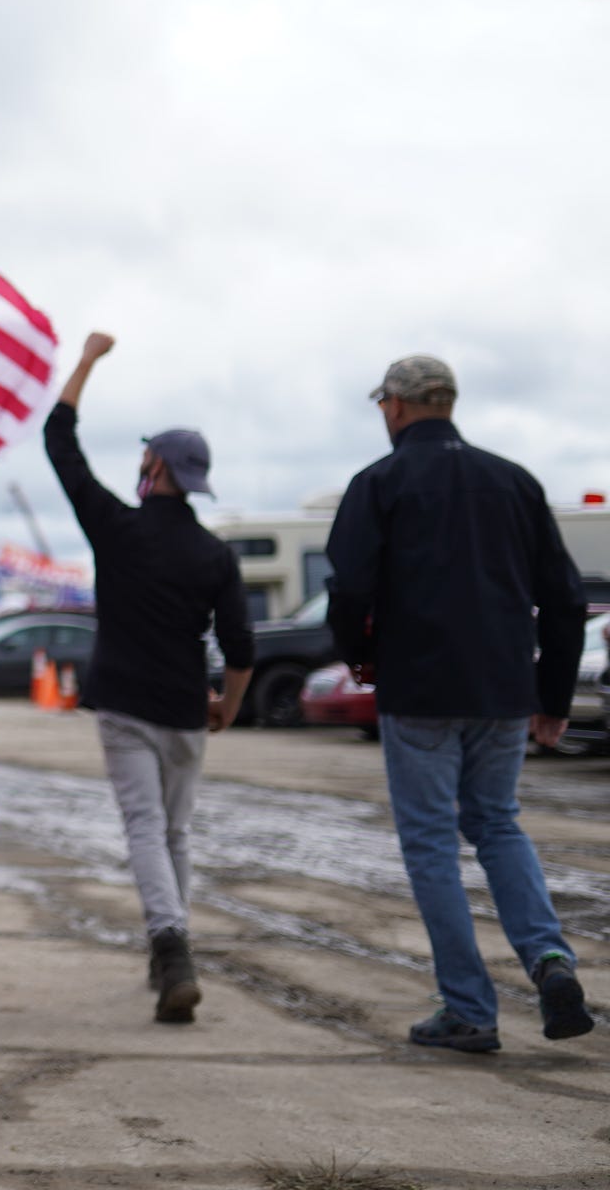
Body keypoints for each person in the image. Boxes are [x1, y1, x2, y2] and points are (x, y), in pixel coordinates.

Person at [326, 354, 594, 1052]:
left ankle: (470, 1010)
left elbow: (350, 588)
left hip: (417, 690)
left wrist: (359, 656)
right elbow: (565, 599)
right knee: (499, 825)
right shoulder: (514, 482)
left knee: (431, 845)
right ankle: (549, 959)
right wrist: (553, 696)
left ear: (396, 406)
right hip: (504, 688)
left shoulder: (378, 483)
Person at [46, 330, 254, 1023]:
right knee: (174, 832)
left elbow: (60, 443)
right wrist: (228, 704)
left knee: (143, 827)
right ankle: (170, 949)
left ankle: (171, 949)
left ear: (155, 467)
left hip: (126, 705)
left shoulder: (117, 528)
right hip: (185, 709)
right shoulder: (215, 553)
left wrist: (86, 362)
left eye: (144, 457)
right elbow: (242, 643)